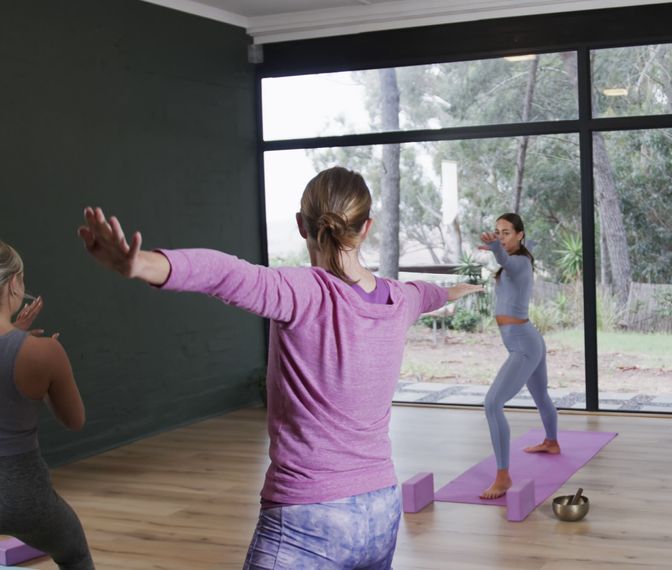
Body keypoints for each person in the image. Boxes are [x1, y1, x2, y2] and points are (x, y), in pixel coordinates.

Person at [77, 167, 482, 570]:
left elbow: (225, 274)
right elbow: (426, 293)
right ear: (367, 227)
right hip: (381, 510)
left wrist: (144, 265)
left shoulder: (302, 292)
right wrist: (452, 291)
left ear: (302, 226)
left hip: (307, 516)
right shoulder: (398, 299)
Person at [0, 241, 94, 569]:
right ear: (14, 283)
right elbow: (74, 420)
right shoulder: (43, 353)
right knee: (74, 554)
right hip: (23, 497)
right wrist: (48, 374)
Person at [477, 213, 559, 500]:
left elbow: (505, 260)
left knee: (492, 403)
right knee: (541, 396)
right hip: (529, 340)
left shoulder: (520, 263)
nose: (501, 236)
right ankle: (551, 442)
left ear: (520, 235)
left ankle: (503, 477)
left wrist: (495, 248)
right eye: (498, 232)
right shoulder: (511, 263)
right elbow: (502, 260)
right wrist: (496, 247)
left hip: (524, 345)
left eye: (507, 232)